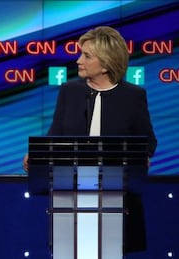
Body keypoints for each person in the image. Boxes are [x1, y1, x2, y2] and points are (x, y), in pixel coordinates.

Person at [23, 26, 157, 252]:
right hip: (71, 192)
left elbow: (148, 141)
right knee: (69, 252)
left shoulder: (133, 96)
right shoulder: (69, 91)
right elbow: (55, 136)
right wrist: (36, 156)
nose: (78, 61)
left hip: (115, 195)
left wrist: (142, 156)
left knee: (108, 252)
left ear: (105, 64)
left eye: (86, 56)